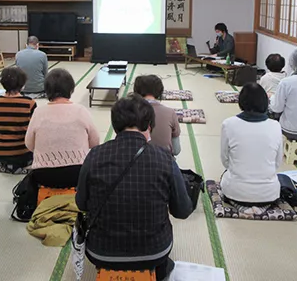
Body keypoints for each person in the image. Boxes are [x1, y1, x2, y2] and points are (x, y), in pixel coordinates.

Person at [76, 94, 193, 280]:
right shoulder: (164, 158)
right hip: (154, 251)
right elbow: (182, 211)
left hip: (101, 252)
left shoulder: (94, 156)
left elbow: (81, 204)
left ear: (115, 126)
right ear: (149, 126)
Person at [25, 68, 100, 189]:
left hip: (43, 175)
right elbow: (95, 142)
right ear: (71, 89)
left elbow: (29, 145)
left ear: (47, 89)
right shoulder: (81, 111)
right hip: (77, 173)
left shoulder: (39, 112)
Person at [220, 83, 283, 207]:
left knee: (227, 174)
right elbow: (277, 162)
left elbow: (225, 159)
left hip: (235, 192)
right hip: (269, 194)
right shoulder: (275, 125)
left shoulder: (228, 124)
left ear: (241, 102)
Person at [0, 67, 37, 173]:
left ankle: (7, 166)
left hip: (1, 152)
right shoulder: (29, 103)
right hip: (24, 152)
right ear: (23, 84)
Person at [133, 75, 181, 156]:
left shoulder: (128, 112)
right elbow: (176, 150)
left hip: (135, 163)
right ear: (160, 92)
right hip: (164, 163)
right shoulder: (170, 113)